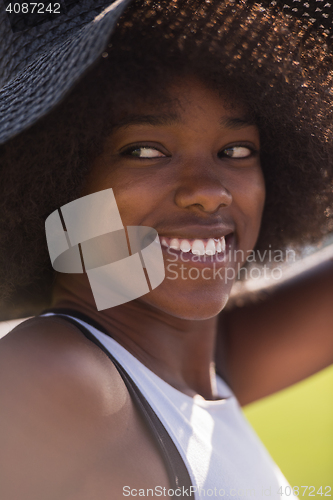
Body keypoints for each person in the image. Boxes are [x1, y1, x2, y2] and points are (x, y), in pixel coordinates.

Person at [0, 0, 332, 499]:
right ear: (56, 185)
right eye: (144, 151)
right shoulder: (55, 377)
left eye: (236, 151)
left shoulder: (197, 367)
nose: (210, 190)